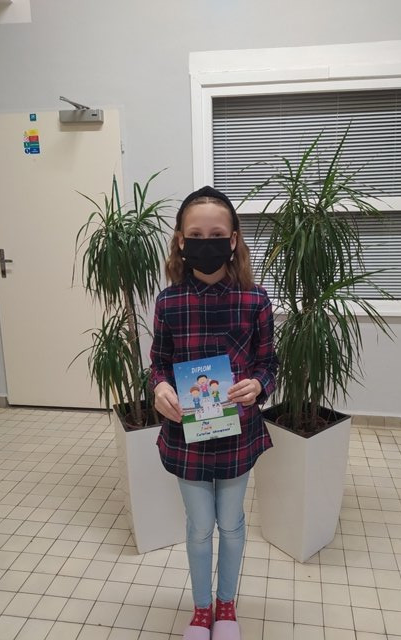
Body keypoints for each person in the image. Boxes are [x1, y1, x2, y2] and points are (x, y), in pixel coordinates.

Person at [150, 185, 278, 640]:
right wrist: (160, 387)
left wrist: (259, 385)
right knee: (200, 526)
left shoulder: (255, 300)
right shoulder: (168, 302)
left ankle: (227, 605)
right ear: (181, 241)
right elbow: (158, 364)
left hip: (238, 431)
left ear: (234, 239)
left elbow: (269, 363)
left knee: (233, 522)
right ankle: (202, 609)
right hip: (186, 435)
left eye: (217, 235)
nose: (207, 243)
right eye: (196, 235)